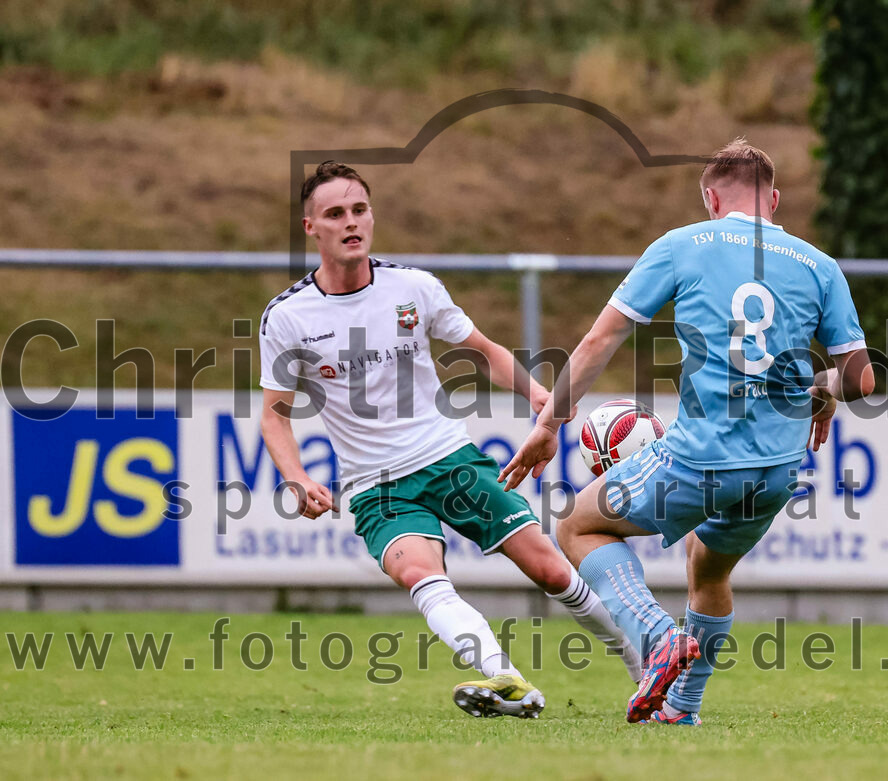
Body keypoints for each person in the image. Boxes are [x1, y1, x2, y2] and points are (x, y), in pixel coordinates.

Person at [500, 138, 875, 725]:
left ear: (710, 199)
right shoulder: (818, 265)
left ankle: (656, 637)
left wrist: (549, 425)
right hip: (778, 468)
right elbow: (862, 379)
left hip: (700, 457)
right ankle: (682, 709)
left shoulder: (682, 244)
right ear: (774, 200)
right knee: (709, 568)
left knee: (578, 525)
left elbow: (601, 340)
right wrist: (821, 394)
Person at [258, 161, 641, 719]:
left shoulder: (413, 289)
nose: (351, 222)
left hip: (447, 459)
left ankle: (642, 667)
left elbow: (482, 349)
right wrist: (295, 477)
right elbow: (274, 415)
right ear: (310, 227)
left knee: (552, 570)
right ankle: (505, 678)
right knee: (419, 573)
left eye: (359, 209)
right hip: (376, 486)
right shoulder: (288, 317)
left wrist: (536, 394)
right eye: (335, 213)